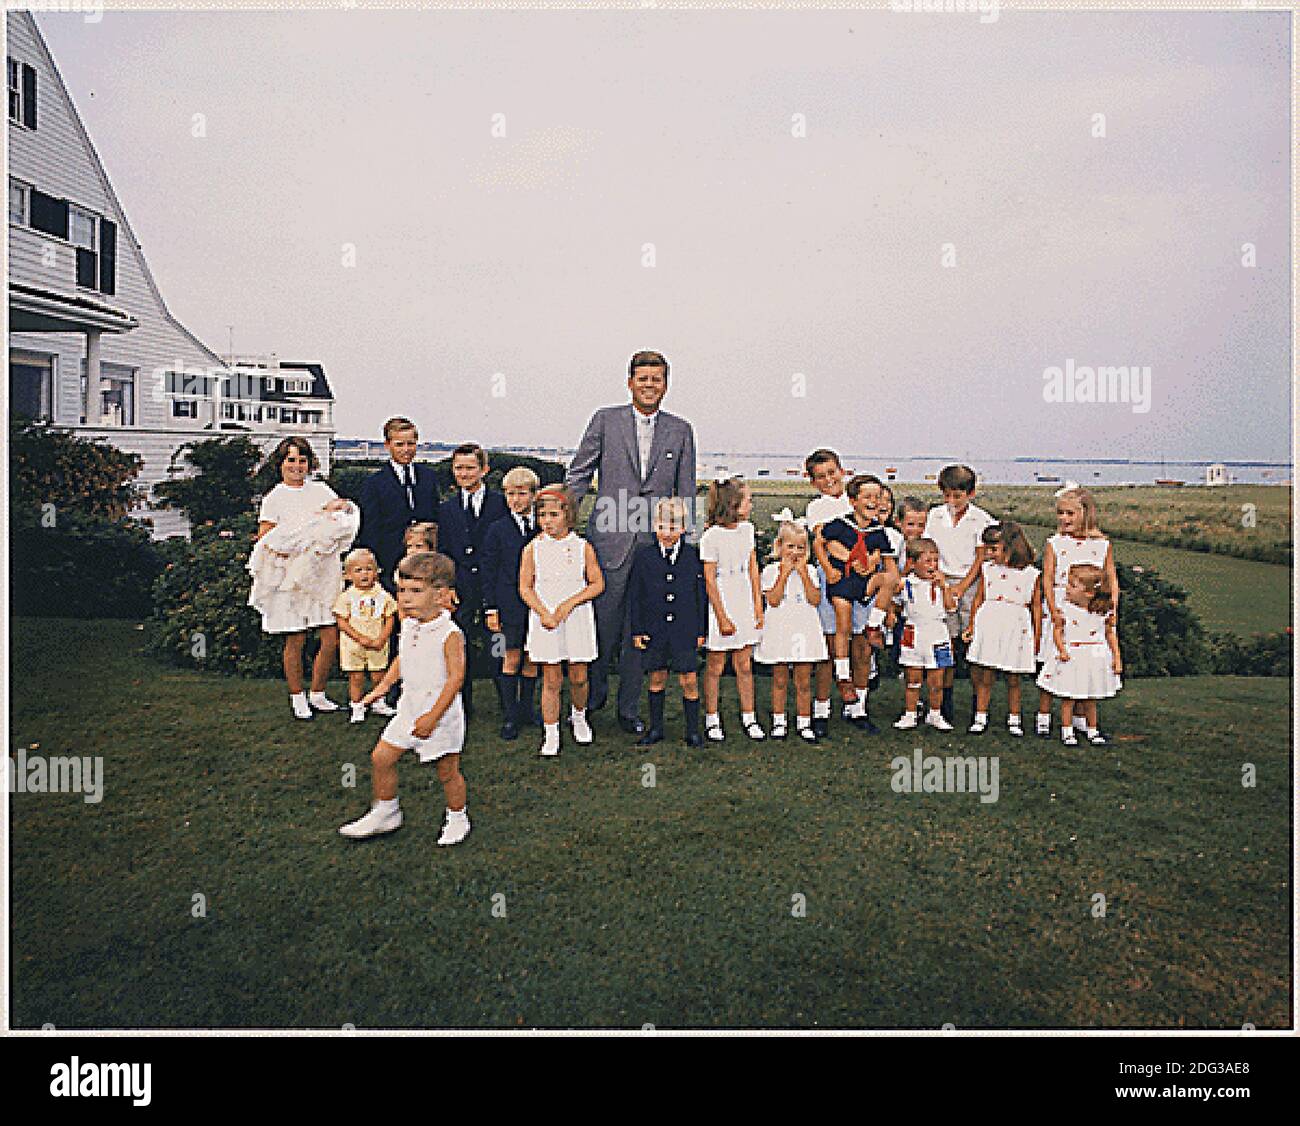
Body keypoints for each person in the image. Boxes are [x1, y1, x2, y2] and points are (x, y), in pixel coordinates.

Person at [565, 351, 697, 735]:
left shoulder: (681, 429)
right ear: (630, 382)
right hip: (609, 542)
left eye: (657, 379)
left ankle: (629, 710)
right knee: (602, 628)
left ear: (666, 385)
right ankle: (589, 702)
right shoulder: (605, 420)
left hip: (655, 546)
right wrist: (557, 521)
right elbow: (580, 473)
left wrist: (685, 545)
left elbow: (685, 490)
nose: (650, 385)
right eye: (643, 379)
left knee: (641, 633)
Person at [338, 552, 470, 845]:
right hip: (408, 708)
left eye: (416, 591)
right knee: (381, 758)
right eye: (402, 591)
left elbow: (455, 679)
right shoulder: (409, 624)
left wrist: (433, 717)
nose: (406, 599)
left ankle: (458, 816)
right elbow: (402, 659)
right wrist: (381, 688)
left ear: (441, 595)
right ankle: (386, 811)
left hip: (440, 714)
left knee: (447, 772)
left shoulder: (449, 634)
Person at [250, 436, 355, 721]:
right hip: (291, 578)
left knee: (330, 637)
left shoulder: (321, 490)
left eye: (302, 460)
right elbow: (266, 539)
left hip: (322, 574)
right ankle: (298, 696)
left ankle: (318, 694)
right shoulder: (274, 498)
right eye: (291, 460)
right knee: (295, 638)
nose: (297, 466)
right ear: (281, 464)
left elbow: (340, 520)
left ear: (310, 463)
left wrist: (335, 514)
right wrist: (302, 534)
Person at [520, 486, 605, 757]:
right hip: (545, 619)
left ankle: (578, 717)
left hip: (576, 617)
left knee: (579, 676)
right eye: (542, 515)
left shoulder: (582, 547)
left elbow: (597, 584)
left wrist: (569, 605)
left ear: (567, 515)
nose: (547, 521)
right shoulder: (532, 548)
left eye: (553, 514)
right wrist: (544, 612)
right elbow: (525, 587)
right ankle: (551, 731)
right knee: (551, 678)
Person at [1034, 487, 1119, 738]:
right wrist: (1052, 608)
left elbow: (1111, 579)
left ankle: (1082, 717)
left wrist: (1112, 605)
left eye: (1070, 513)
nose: (1064, 518)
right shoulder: (1055, 543)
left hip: (1092, 606)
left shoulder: (1102, 545)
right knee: (1055, 662)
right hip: (1062, 604)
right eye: (1060, 513)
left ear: (1085, 514)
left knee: (1085, 663)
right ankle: (1044, 715)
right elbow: (1047, 579)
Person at [820, 474, 899, 733]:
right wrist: (830, 566)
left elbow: (890, 569)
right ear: (853, 501)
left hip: (864, 588)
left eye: (877, 497)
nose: (874, 501)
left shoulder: (879, 532)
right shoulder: (840, 524)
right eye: (867, 497)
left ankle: (872, 626)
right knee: (841, 625)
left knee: (864, 651)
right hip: (842, 583)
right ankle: (843, 677)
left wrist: (888, 605)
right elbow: (820, 542)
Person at [437, 443, 508, 721]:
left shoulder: (500, 504)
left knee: (498, 646)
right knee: (459, 646)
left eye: (470, 467)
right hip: (461, 589)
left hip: (493, 588)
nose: (464, 473)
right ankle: (462, 707)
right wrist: (447, 588)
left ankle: (508, 707)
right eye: (459, 468)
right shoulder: (446, 509)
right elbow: (443, 552)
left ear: (484, 470)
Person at [629, 497, 708, 747]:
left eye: (674, 528)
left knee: (689, 679)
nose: (667, 533)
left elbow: (700, 596)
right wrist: (638, 630)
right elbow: (636, 596)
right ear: (655, 526)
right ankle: (656, 729)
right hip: (655, 629)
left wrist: (700, 630)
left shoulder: (692, 556)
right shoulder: (645, 556)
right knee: (657, 677)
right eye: (662, 527)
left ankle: (693, 731)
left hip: (684, 629)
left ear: (683, 528)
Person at [923, 464, 997, 723]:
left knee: (973, 643)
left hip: (971, 584)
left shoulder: (982, 520)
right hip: (941, 582)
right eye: (947, 495)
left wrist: (962, 587)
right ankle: (944, 702)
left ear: (971, 493)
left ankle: (980, 705)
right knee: (946, 643)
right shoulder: (934, 516)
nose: (952, 501)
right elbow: (928, 548)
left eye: (958, 495)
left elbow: (981, 559)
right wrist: (941, 581)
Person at [700, 477, 765, 742]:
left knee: (744, 664)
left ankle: (749, 716)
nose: (751, 504)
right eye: (748, 500)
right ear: (733, 504)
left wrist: (757, 607)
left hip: (744, 599)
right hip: (722, 602)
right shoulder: (711, 536)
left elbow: (752, 568)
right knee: (715, 665)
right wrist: (722, 617)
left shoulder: (747, 530)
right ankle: (712, 717)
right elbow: (709, 580)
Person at [962, 522, 1042, 737]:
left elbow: (1035, 606)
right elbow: (979, 598)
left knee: (1013, 678)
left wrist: (1037, 635)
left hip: (1016, 624)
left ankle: (1014, 719)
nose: (989, 554)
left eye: (994, 549)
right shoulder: (988, 569)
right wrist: (972, 624)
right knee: (986, 674)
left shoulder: (1030, 574)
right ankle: (980, 717)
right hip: (990, 621)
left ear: (1010, 547)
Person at [481, 466, 542, 739]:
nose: (515, 500)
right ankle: (509, 715)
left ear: (533, 495)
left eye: (521, 494)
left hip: (538, 604)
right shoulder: (498, 529)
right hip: (508, 604)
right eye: (509, 494)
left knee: (532, 657)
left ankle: (527, 710)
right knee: (510, 656)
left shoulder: (542, 528)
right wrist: (490, 608)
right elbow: (489, 571)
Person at [755, 516, 828, 742]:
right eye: (790, 546)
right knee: (779, 678)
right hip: (780, 626)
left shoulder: (811, 571)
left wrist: (804, 574)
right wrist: (785, 573)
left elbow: (815, 599)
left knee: (804, 679)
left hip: (804, 626)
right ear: (780, 546)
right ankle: (779, 721)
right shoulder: (770, 570)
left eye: (800, 547)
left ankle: (804, 722)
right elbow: (773, 600)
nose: (795, 552)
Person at [1036, 562, 1123, 745]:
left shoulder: (1103, 613)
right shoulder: (1065, 610)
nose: (1067, 588)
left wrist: (1116, 657)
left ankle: (1092, 729)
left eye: (1072, 585)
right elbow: (1057, 631)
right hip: (1073, 655)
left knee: (1089, 697)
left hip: (1093, 656)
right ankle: (1067, 730)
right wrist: (1062, 649)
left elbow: (1109, 634)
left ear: (1089, 593)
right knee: (1069, 697)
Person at [356, 417, 441, 593]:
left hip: (426, 565)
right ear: (387, 445)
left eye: (411, 444)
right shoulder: (374, 483)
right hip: (389, 566)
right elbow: (370, 529)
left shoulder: (429, 478)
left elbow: (435, 518)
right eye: (400, 444)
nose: (406, 450)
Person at [803, 448, 853, 738]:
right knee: (828, 642)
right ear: (812, 482)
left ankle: (856, 707)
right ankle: (821, 709)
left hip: (861, 575)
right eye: (820, 477)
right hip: (831, 574)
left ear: (842, 471)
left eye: (832, 473)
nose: (828, 480)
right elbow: (824, 541)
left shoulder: (857, 498)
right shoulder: (817, 507)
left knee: (858, 642)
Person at [893, 538, 958, 731]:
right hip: (913, 633)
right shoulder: (907, 584)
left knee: (936, 680)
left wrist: (944, 587)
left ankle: (935, 714)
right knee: (912, 679)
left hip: (937, 633)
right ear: (912, 563)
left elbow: (951, 607)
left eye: (935, 561)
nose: (932, 566)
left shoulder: (942, 584)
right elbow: (895, 604)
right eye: (927, 561)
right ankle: (910, 714)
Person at [332, 548, 399, 724]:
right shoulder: (346, 597)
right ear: (348, 575)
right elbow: (342, 621)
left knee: (378, 674)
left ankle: (378, 701)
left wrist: (383, 638)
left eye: (369, 569)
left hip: (378, 642)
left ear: (376, 572)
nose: (364, 574)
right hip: (354, 645)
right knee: (356, 676)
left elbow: (390, 617)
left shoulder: (383, 595)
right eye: (358, 570)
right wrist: (359, 638)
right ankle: (357, 705)